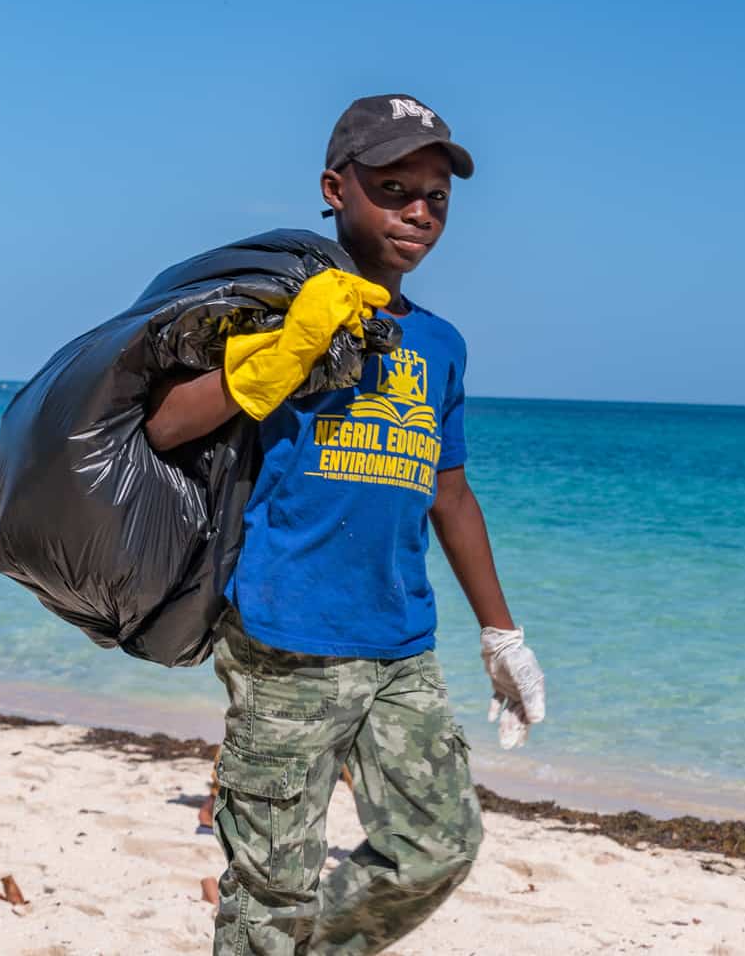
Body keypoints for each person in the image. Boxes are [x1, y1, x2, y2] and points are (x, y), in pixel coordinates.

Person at [145, 93, 546, 955]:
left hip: (402, 642)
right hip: (286, 636)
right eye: (395, 187)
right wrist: (288, 346)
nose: (418, 210)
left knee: (437, 848)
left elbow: (450, 491)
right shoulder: (272, 304)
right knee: (271, 889)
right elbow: (167, 424)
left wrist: (502, 634)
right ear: (336, 188)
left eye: (436, 196)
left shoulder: (440, 343)